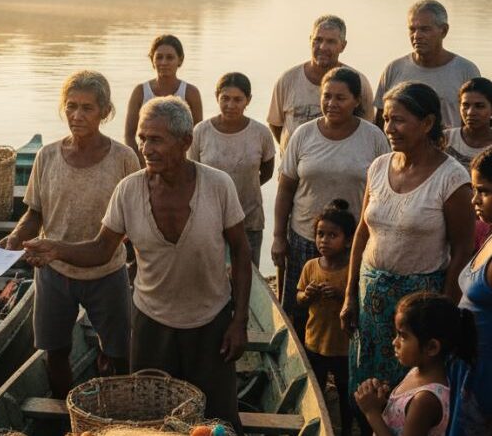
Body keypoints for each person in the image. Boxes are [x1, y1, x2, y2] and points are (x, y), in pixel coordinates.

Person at [25, 96, 251, 430]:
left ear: (185, 141)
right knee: (149, 423)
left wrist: (239, 321)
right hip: (151, 323)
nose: (146, 148)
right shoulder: (129, 190)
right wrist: (56, 250)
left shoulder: (218, 185)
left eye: (156, 139)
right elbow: (102, 249)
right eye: (142, 138)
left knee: (219, 420)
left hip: (209, 321)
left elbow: (242, 252)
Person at [341, 82, 473, 435]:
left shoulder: (452, 178)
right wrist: (349, 294)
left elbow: (462, 249)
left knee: (409, 398)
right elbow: (362, 232)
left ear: (427, 123)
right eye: (386, 119)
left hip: (418, 309)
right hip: (371, 299)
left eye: (399, 120)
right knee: (367, 388)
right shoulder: (379, 166)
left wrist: (443, 312)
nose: (389, 128)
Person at [0, 70, 139, 398]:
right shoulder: (47, 156)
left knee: (119, 353)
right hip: (53, 272)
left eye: (87, 108)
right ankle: (66, 412)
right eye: (71, 106)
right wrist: (15, 239)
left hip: (107, 272)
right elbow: (35, 214)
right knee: (56, 351)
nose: (77, 115)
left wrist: (138, 265)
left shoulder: (123, 159)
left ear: (105, 111)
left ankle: (124, 408)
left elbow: (134, 221)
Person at [272, 67, 388, 341]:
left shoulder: (373, 137)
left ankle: (344, 360)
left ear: (357, 101)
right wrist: (278, 237)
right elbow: (286, 188)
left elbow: (384, 191)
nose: (331, 103)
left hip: (354, 240)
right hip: (305, 237)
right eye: (327, 96)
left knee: (349, 307)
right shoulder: (303, 134)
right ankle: (300, 360)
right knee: (301, 307)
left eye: (340, 98)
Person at [354, 292, 475, 436]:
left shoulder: (425, 400)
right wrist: (382, 403)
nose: (394, 342)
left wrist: (371, 412)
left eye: (403, 336)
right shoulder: (417, 371)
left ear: (432, 347)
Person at [188, 72, 274, 266]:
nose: (231, 105)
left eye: (238, 99)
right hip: (209, 219)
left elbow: (267, 172)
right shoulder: (201, 131)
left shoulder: (261, 133)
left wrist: (235, 191)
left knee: (249, 274)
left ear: (248, 100)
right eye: (225, 98)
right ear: (217, 97)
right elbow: (191, 174)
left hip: (249, 218)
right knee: (210, 274)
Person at [267, 15, 375, 153]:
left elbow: (368, 130)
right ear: (310, 40)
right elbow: (275, 124)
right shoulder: (288, 80)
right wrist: (291, 152)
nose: (323, 47)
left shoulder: (358, 82)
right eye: (318, 40)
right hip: (295, 164)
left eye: (331, 42)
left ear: (343, 46)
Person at [296, 199, 356, 436]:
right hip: (315, 343)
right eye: (320, 234)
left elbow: (356, 305)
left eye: (332, 235)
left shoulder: (350, 270)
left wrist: (342, 296)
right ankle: (316, 425)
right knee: (316, 390)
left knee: (344, 390)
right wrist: (307, 295)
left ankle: (346, 430)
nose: (324, 240)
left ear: (348, 240)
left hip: (343, 347)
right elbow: (299, 298)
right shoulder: (311, 266)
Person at [374, 0, 481, 130]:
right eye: (412, 29)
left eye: (425, 29)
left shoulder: (465, 70)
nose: (417, 36)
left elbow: (478, 122)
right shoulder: (394, 69)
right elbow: (379, 122)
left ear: (444, 31)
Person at [447, 147, 492, 435]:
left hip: (485, 380)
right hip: (468, 370)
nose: (474, 199)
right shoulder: (489, 235)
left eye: (484, 191)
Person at [124, 34, 202, 165]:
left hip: (180, 163)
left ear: (180, 60)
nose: (164, 62)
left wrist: (186, 166)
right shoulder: (140, 91)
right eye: (159, 57)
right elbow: (129, 135)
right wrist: (141, 162)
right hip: (147, 160)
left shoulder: (190, 92)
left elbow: (197, 135)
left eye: (170, 57)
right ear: (152, 60)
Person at [445, 77, 492, 250]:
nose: (471, 112)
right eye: (465, 105)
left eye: (479, 106)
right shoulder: (445, 140)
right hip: (447, 224)